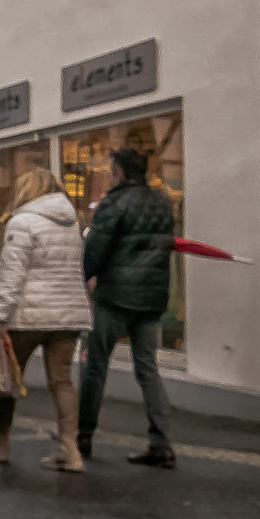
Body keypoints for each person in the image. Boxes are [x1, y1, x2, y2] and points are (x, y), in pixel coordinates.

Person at [0, 168, 93, 471]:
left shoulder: (21, 221)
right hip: (69, 313)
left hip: (28, 315)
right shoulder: (71, 223)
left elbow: (13, 273)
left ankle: (0, 442)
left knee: (8, 380)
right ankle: (70, 449)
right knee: (62, 382)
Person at [78, 147, 178, 468]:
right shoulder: (162, 202)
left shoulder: (114, 202)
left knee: (96, 365)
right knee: (148, 369)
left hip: (116, 297)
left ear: (119, 172)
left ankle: (83, 437)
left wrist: (83, 278)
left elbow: (96, 248)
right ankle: (161, 444)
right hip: (150, 299)